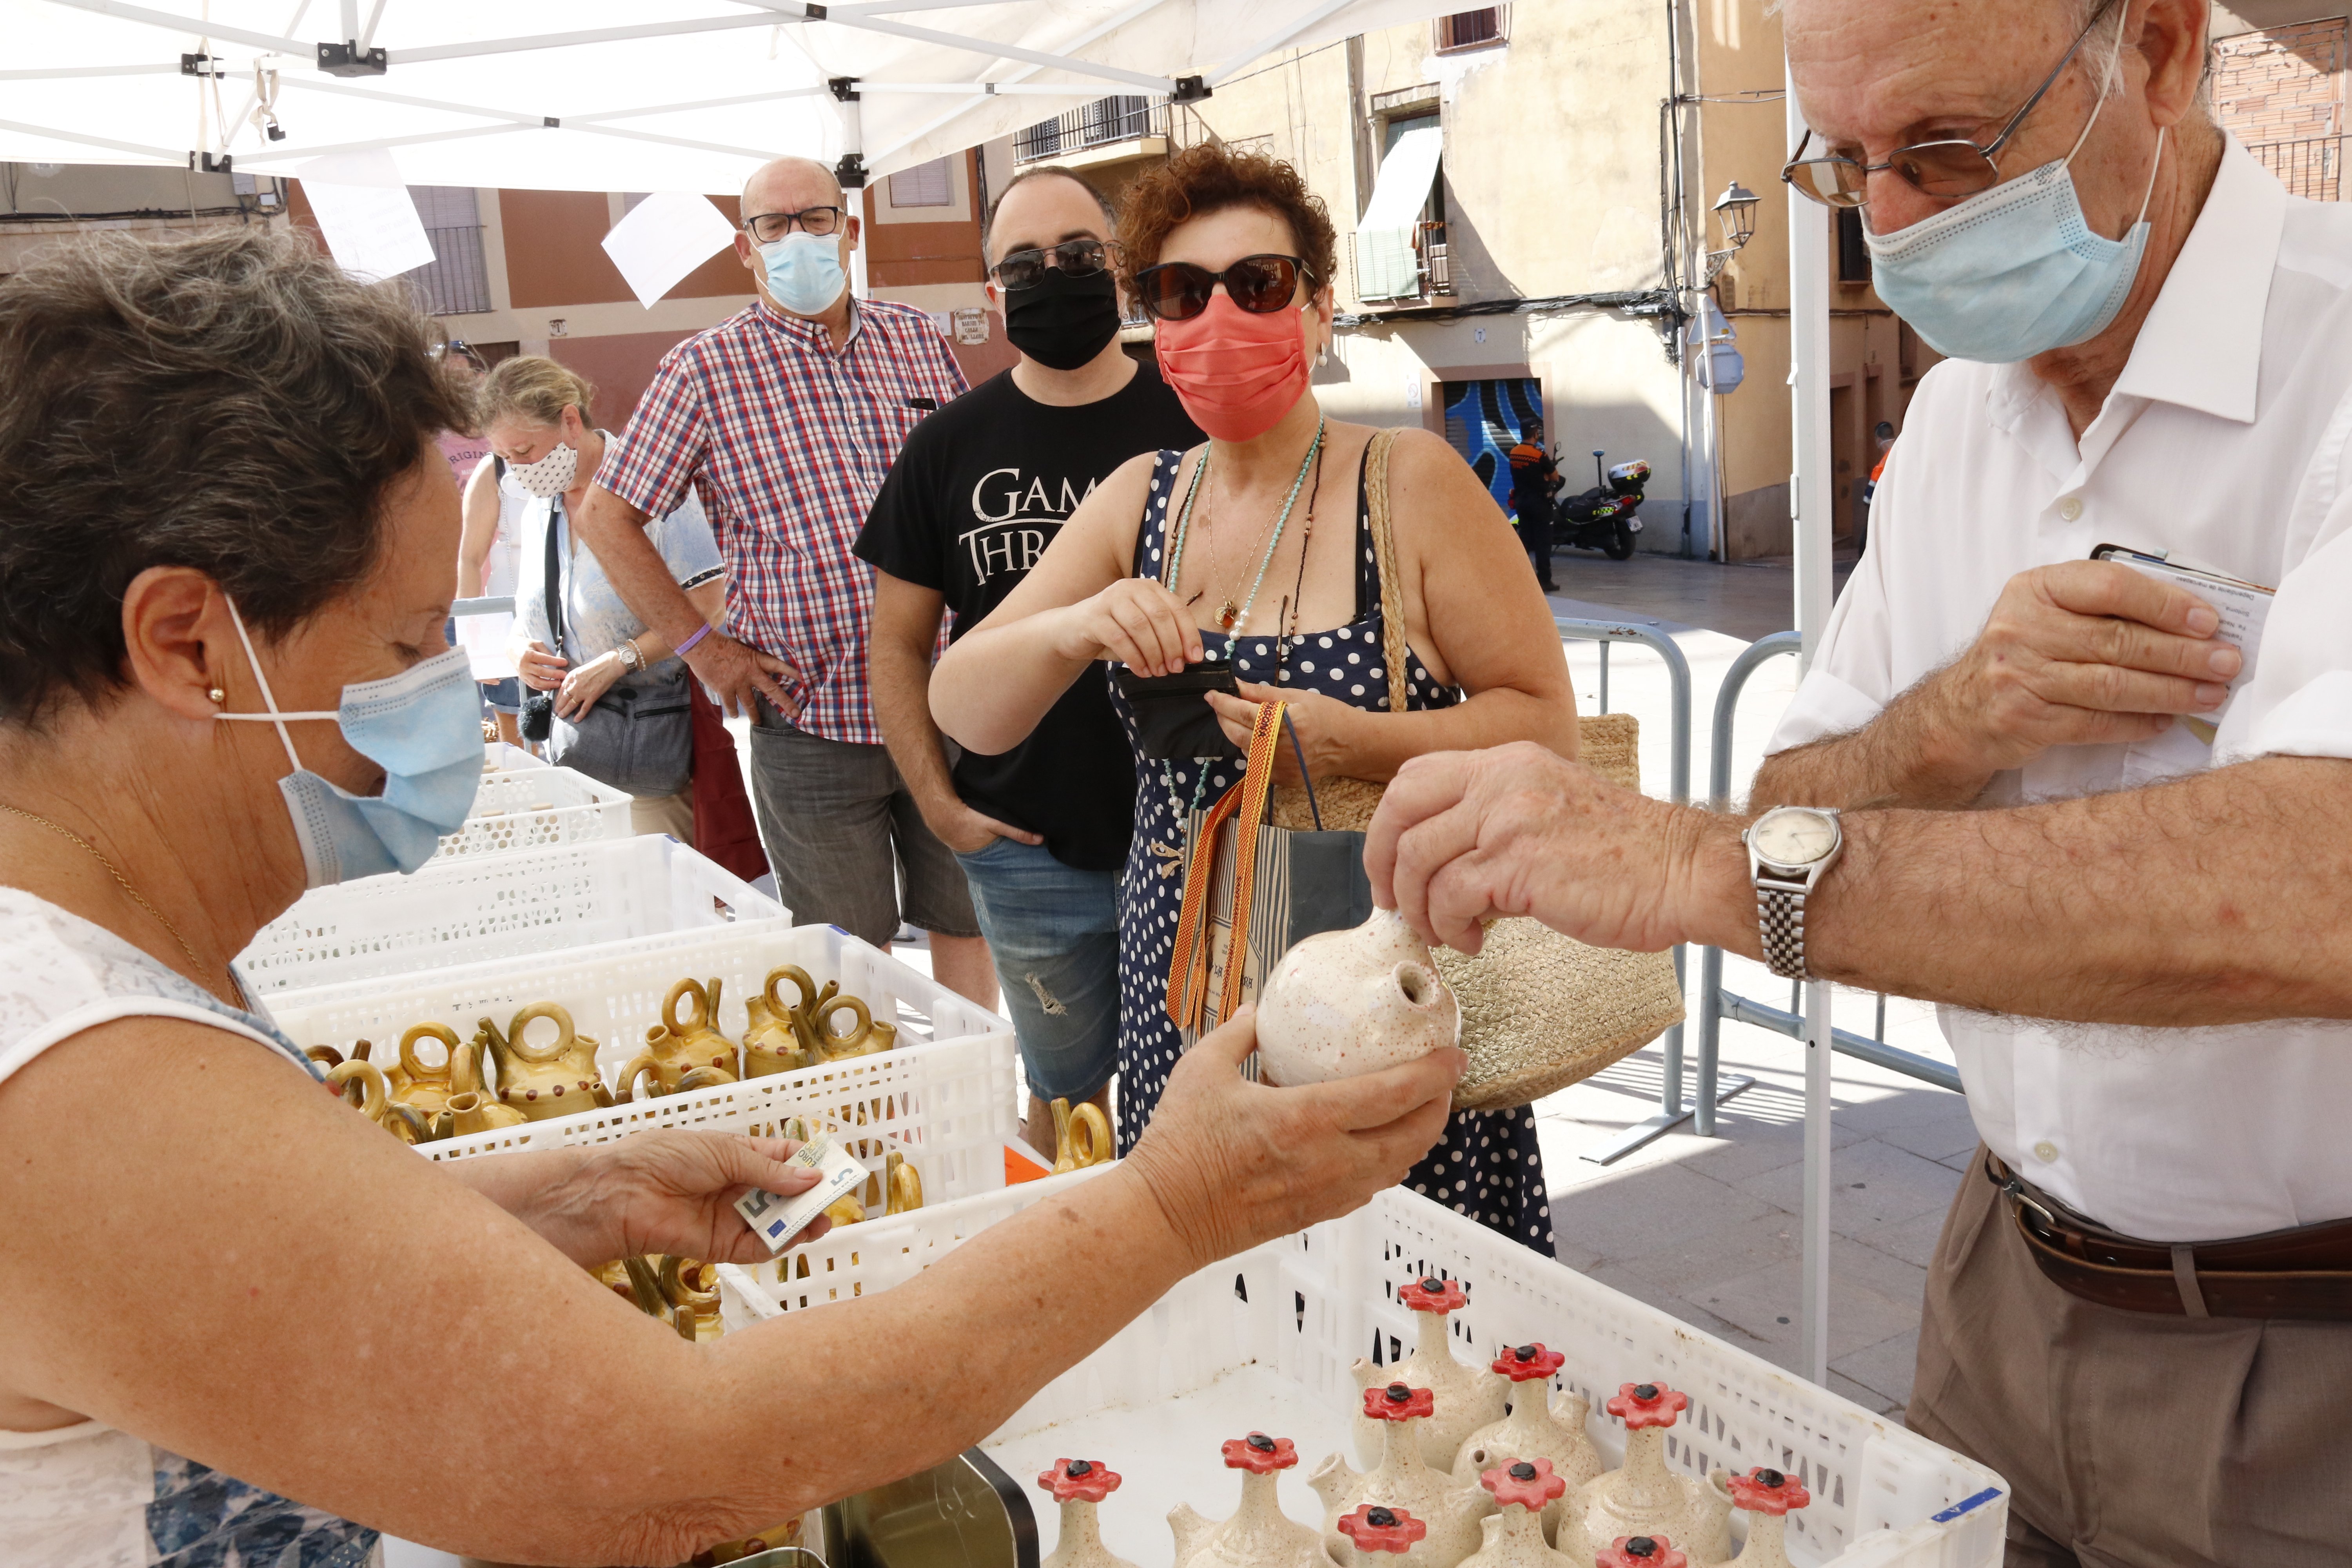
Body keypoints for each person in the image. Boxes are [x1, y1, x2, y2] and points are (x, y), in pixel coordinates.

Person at [0, 226, 1462, 1568]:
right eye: (402, 637)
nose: (438, 689)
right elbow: (662, 1468)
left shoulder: (71, 987)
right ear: (189, 644)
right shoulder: (61, 1068)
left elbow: (248, 1273)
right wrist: (1175, 1201)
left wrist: (574, 1193)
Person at [1370, 0, 2352, 1558]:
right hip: (2001, 1283)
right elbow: (1798, 788)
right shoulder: (1964, 404)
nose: (1894, 222)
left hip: (2307, 1348)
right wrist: (1959, 715)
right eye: (1852, 166)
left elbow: (2321, 885)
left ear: (2157, 54)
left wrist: (1690, 867)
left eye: (1948, 150)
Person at [929, 143, 1579, 1251]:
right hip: (1180, 978)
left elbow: (1545, 725)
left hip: (1376, 982)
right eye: (1184, 292)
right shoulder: (1143, 497)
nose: (1220, 314)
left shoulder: (1412, 483)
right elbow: (965, 705)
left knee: (1391, 1308)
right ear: (1155, 326)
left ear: (1320, 309)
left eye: (1260, 284)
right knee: (1213, 1298)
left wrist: (1356, 741)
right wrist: (1076, 626)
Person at [573, 156, 995, 1003]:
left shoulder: (916, 341)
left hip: (944, 696)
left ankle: (971, 1087)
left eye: (815, 218)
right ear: (745, 247)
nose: (797, 237)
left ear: (851, 230)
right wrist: (703, 649)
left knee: (968, 915)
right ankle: (879, 1119)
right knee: (847, 952)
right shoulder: (704, 370)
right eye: (774, 224)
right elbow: (606, 517)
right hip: (809, 718)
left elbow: (970, 493)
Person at [857, 167, 1202, 1156]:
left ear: (1121, 269)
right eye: (1024, 262)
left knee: (1198, 1098)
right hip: (1027, 846)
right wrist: (938, 805)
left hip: (1194, 834)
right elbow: (895, 642)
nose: (1055, 276)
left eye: (1080, 255)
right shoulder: (946, 446)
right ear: (990, 293)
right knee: (1064, 1103)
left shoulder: (1195, 425)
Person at [487, 356, 721, 845]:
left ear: (571, 421)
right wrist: (519, 653)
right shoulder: (540, 508)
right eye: (507, 458)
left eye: (527, 450)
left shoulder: (653, 490)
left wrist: (621, 660)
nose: (521, 470)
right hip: (573, 751)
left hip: (653, 745)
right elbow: (526, 615)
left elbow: (711, 603)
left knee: (661, 898)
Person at [1506, 418, 1559, 591]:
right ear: (1535, 433)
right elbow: (1555, 478)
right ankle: (1544, 580)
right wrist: (1545, 476)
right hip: (1540, 504)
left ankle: (1515, 575)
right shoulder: (1539, 455)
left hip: (1522, 502)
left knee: (1525, 541)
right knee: (1543, 543)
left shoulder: (1514, 452)